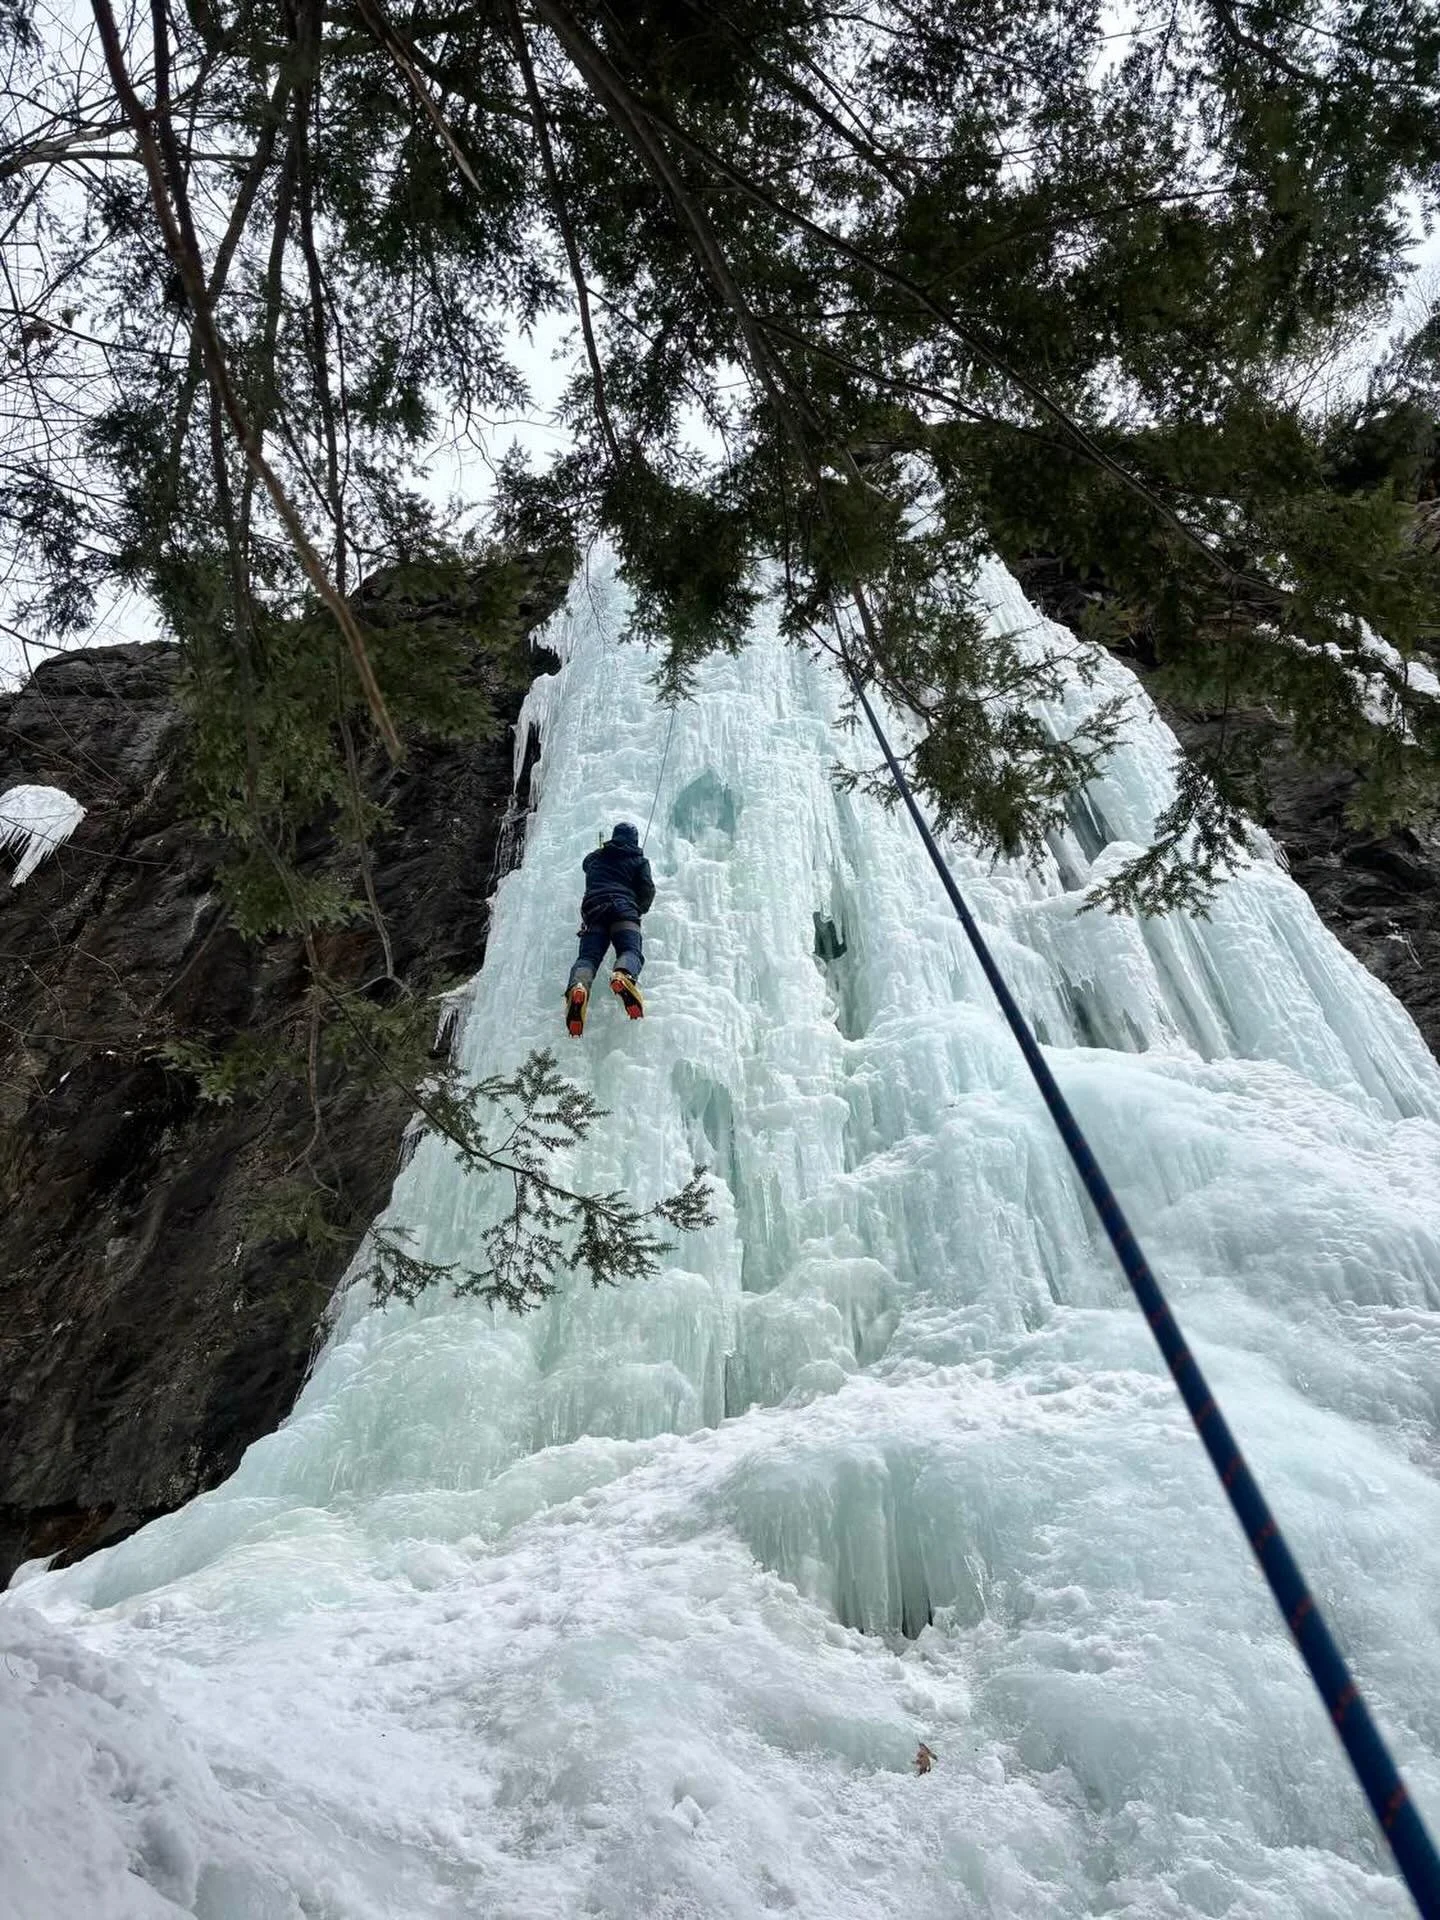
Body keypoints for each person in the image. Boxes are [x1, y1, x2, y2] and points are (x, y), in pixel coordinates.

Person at [565, 821, 654, 1035]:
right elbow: (647, 889)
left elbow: (586, 864)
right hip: (624, 910)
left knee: (588, 958)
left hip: (594, 913)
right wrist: (639, 909)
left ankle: (579, 987)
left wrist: (602, 850)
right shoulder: (639, 861)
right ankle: (623, 975)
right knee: (630, 951)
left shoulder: (595, 858)